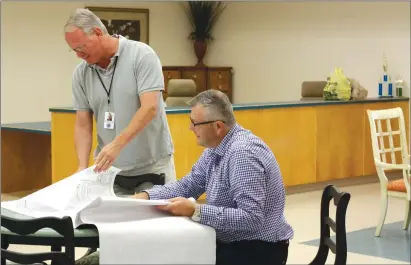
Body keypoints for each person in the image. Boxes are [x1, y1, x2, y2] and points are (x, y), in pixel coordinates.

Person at [134, 89, 294, 265]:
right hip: (235, 242)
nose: (190, 128)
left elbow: (251, 218)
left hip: (258, 250)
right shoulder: (216, 148)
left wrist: (196, 210)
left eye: (195, 123)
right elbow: (188, 185)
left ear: (218, 126)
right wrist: (146, 197)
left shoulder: (242, 154)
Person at [64, 8, 176, 197]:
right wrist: (82, 166)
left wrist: (116, 145)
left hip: (152, 169)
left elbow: (149, 108)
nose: (78, 55)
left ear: (98, 33)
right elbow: (83, 124)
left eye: (81, 48)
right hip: (111, 173)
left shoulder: (142, 55)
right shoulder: (81, 73)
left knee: (156, 226)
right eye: (74, 50)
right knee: (106, 225)